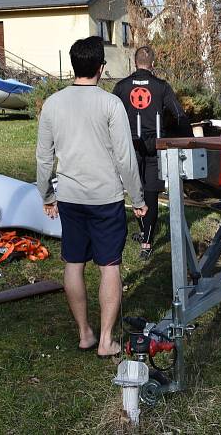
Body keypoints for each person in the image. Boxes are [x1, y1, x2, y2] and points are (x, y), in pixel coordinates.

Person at [36, 36, 147, 358]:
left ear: (74, 66)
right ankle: (106, 340)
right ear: (101, 67)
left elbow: (44, 158)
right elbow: (126, 158)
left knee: (73, 262)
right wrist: (138, 198)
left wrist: (46, 194)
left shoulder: (53, 104)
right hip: (106, 197)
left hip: (69, 196)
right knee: (109, 265)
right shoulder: (111, 103)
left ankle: (85, 333)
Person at [113, 46, 192, 260]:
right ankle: (147, 241)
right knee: (151, 193)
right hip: (155, 145)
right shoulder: (161, 86)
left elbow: (110, 116)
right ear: (153, 64)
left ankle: (143, 232)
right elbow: (179, 115)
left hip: (130, 145)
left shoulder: (121, 87)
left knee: (135, 190)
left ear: (134, 62)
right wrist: (187, 139)